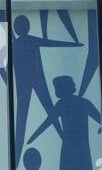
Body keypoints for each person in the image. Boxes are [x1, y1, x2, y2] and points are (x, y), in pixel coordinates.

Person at [27, 74, 102, 170]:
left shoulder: (64, 104)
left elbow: (48, 122)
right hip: (80, 150)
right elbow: (101, 119)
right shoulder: (81, 102)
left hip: (71, 150)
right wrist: (33, 136)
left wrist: (33, 136)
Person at [12, 15, 77, 159]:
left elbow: (52, 43)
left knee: (47, 113)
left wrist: (73, 45)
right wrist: (73, 44)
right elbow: (52, 43)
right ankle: (15, 158)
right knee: (44, 114)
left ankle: (15, 158)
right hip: (28, 83)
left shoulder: (17, 43)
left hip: (34, 81)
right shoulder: (16, 44)